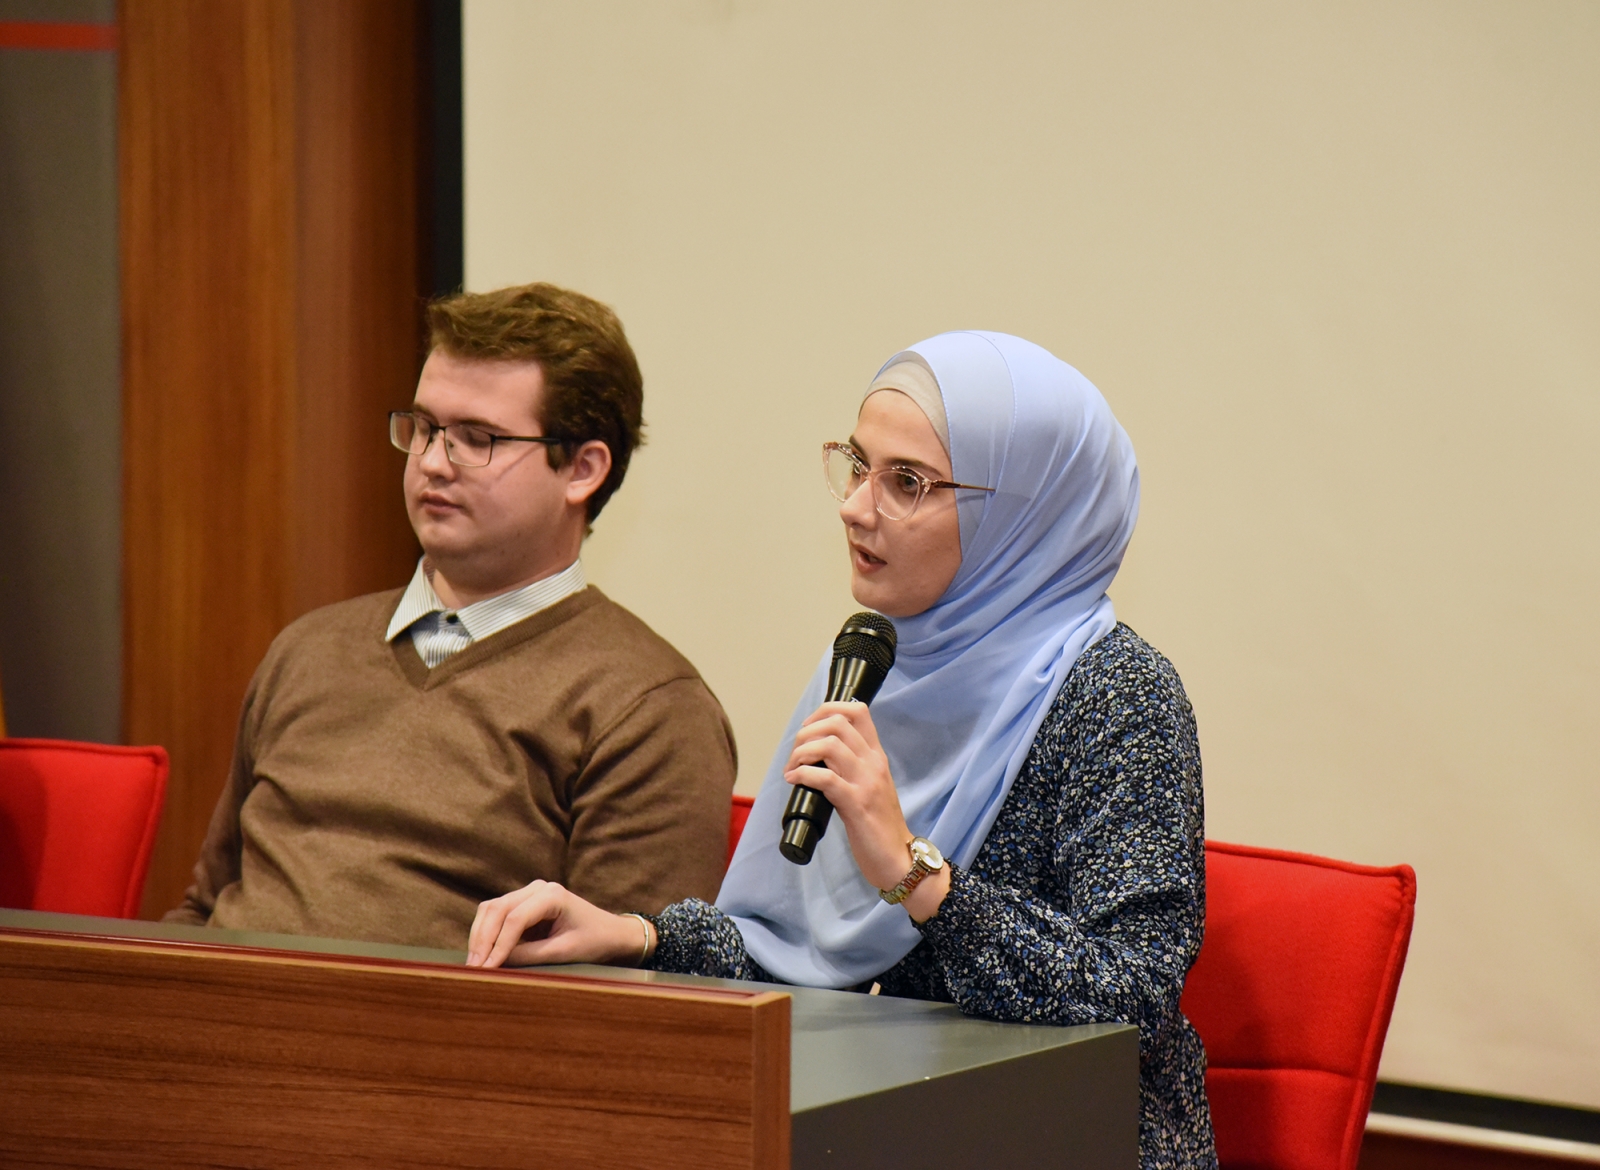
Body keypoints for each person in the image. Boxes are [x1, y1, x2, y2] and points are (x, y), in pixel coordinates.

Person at [466, 331, 1215, 1169]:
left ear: (1024, 516)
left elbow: (1130, 996)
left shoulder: (1119, 694)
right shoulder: (869, 660)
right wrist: (633, 936)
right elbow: (798, 950)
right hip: (878, 1116)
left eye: (907, 483)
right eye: (857, 466)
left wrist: (914, 873)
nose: (856, 507)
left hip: (1064, 1135)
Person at [166, 283, 737, 950]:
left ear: (582, 470)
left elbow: (627, 992)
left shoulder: (649, 708)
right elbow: (203, 909)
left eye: (477, 438)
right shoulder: (308, 650)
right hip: (225, 1005)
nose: (432, 463)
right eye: (424, 428)